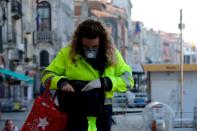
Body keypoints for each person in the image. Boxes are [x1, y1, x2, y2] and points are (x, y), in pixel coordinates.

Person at [41, 19, 134, 131]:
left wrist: (105, 82)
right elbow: (47, 75)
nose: (90, 50)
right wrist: (61, 82)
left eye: (94, 47)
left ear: (102, 42)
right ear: (79, 41)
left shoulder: (112, 55)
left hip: (102, 113)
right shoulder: (67, 54)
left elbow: (128, 81)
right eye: (86, 47)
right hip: (74, 113)